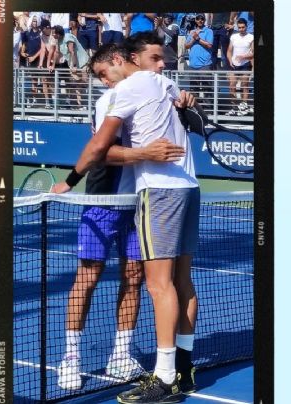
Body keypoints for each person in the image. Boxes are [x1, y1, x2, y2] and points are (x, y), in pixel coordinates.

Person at [52, 33, 201, 403]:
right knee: (90, 279)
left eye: (104, 72)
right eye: (156, 57)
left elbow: (102, 148)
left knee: (144, 281)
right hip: (109, 199)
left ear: (122, 61)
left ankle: (140, 363)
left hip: (146, 198)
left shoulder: (151, 86)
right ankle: (72, 357)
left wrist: (186, 104)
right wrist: (74, 181)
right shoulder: (124, 95)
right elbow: (100, 152)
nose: (103, 81)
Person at [51, 25, 90, 110]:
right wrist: (53, 65)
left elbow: (72, 52)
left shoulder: (68, 37)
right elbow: (57, 53)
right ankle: (79, 105)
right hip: (72, 64)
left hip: (82, 63)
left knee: (84, 82)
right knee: (76, 84)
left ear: (58, 33)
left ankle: (87, 104)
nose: (52, 35)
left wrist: (75, 66)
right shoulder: (58, 40)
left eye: (53, 33)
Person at [225, 18, 254, 116]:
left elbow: (253, 53)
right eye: (239, 27)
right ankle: (234, 108)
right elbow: (229, 51)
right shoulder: (233, 37)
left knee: (244, 85)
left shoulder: (251, 37)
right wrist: (230, 61)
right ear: (237, 27)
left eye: (243, 27)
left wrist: (244, 56)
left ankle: (244, 107)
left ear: (246, 27)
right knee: (231, 85)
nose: (241, 29)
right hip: (234, 65)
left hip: (245, 65)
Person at [184, 14, 214, 108]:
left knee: (207, 88)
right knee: (193, 89)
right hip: (193, 64)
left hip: (205, 64)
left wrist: (198, 38)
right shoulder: (192, 31)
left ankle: (209, 109)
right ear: (195, 20)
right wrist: (193, 39)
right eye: (198, 19)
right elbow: (186, 46)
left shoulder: (209, 31)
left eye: (202, 19)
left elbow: (209, 45)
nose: (200, 20)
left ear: (204, 20)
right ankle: (195, 108)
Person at [20, 17, 44, 106]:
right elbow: (24, 44)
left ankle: (47, 101)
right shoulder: (27, 33)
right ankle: (34, 99)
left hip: (39, 59)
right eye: (33, 21)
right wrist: (22, 52)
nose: (34, 22)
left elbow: (42, 47)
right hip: (30, 59)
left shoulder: (41, 33)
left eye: (35, 21)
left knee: (43, 79)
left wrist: (35, 57)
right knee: (33, 80)